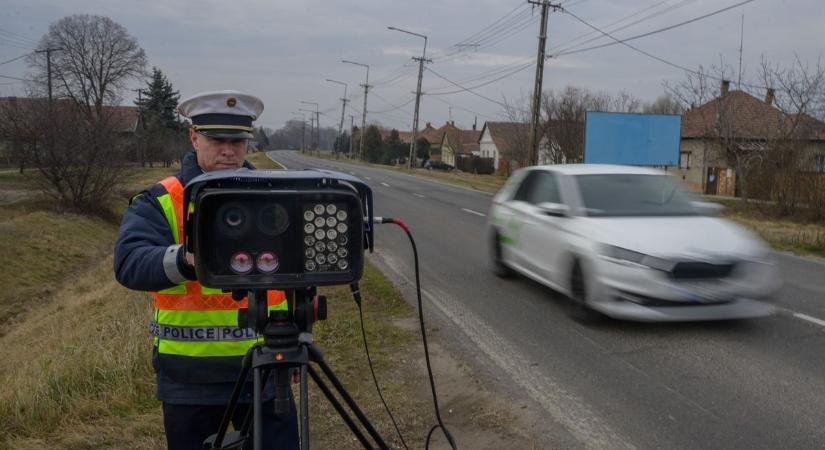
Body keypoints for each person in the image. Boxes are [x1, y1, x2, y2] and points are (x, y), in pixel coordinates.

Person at [114, 91, 299, 450]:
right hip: (190, 379)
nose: (229, 151)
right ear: (194, 136)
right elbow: (128, 263)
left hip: (265, 368)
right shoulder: (163, 200)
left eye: (238, 141)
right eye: (218, 140)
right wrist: (186, 260)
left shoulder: (275, 197)